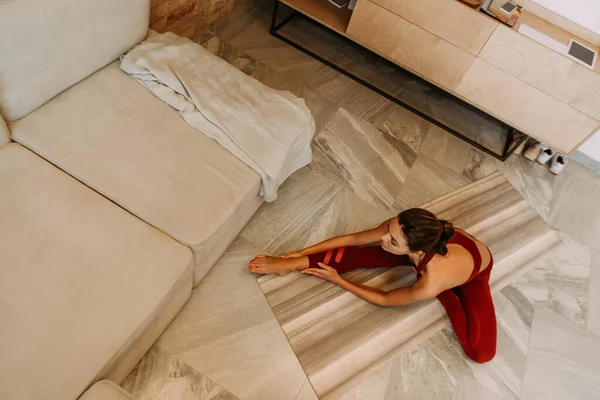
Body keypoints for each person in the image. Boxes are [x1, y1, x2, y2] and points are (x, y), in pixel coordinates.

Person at [249, 208, 496, 363]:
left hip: (474, 274)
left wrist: (339, 280)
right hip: (426, 256)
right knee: (365, 254)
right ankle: (293, 265)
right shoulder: (403, 228)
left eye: (393, 240)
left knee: (480, 352)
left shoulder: (431, 281)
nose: (383, 238)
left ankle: (448, 295)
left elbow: (386, 299)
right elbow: (354, 239)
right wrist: (300, 253)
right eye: (389, 230)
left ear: (416, 251)